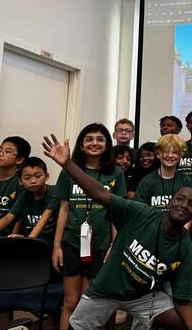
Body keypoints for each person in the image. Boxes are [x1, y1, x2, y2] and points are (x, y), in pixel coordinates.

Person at [42, 133, 192, 330]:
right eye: (180, 199)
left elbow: (182, 300)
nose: (185, 206)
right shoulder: (141, 213)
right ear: (169, 202)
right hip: (105, 290)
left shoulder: (184, 247)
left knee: (180, 323)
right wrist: (67, 163)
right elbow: (100, 193)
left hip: (142, 296)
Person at [51, 123, 127, 330]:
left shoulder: (116, 174)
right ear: (81, 145)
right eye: (89, 139)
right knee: (70, 302)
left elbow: (116, 214)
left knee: (90, 304)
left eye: (100, 139)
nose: (94, 143)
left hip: (101, 245)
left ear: (107, 144)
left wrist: (115, 245)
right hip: (71, 243)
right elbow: (64, 209)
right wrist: (57, 245)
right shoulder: (69, 171)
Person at [0, 156, 59, 245]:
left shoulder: (54, 191)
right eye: (27, 178)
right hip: (32, 243)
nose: (33, 181)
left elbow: (44, 220)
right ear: (20, 181)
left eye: (38, 176)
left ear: (47, 176)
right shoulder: (24, 195)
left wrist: (27, 241)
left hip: (49, 244)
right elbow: (8, 217)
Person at [0, 136, 31, 234]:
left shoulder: (21, 184)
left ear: (19, 159)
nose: (0, 154)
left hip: (7, 240)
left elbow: (20, 216)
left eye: (7, 152)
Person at [135, 134, 192, 212]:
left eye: (174, 152)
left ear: (180, 155)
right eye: (166, 152)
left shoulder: (186, 181)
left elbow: (190, 211)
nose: (170, 155)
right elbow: (139, 211)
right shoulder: (147, 182)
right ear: (158, 154)